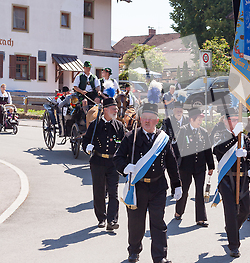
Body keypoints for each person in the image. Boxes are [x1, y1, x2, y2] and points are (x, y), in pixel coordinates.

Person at [113, 103, 182, 263]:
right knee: (136, 223)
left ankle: (160, 257)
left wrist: (177, 184)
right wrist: (125, 167)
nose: (147, 121)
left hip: (158, 187)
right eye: (144, 118)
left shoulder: (163, 140)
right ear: (140, 119)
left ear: (157, 120)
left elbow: (172, 164)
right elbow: (118, 158)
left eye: (151, 119)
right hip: (138, 187)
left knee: (158, 222)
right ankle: (134, 251)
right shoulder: (131, 137)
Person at [212, 107, 250, 258]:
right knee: (230, 212)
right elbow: (217, 151)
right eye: (231, 120)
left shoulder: (244, 137)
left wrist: (246, 153)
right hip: (227, 179)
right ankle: (234, 245)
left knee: (245, 209)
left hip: (243, 179)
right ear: (225, 121)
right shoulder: (220, 135)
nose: (234, 122)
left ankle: (231, 229)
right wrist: (233, 139)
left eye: (237, 120)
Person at [83, 98, 125, 231]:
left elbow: (125, 144)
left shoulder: (119, 126)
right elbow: (85, 140)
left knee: (113, 193)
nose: (117, 110)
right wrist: (87, 147)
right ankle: (101, 218)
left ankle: (112, 220)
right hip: (98, 162)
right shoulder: (95, 125)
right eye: (114, 108)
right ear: (105, 110)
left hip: (113, 164)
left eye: (117, 108)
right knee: (99, 191)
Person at [174, 108, 215, 226]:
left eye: (201, 119)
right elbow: (177, 150)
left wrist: (210, 165)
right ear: (191, 119)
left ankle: (200, 218)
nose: (200, 121)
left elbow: (208, 150)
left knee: (199, 192)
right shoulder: (183, 131)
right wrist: (175, 165)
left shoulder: (203, 132)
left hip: (200, 167)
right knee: (184, 190)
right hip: (185, 167)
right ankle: (179, 211)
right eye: (198, 119)